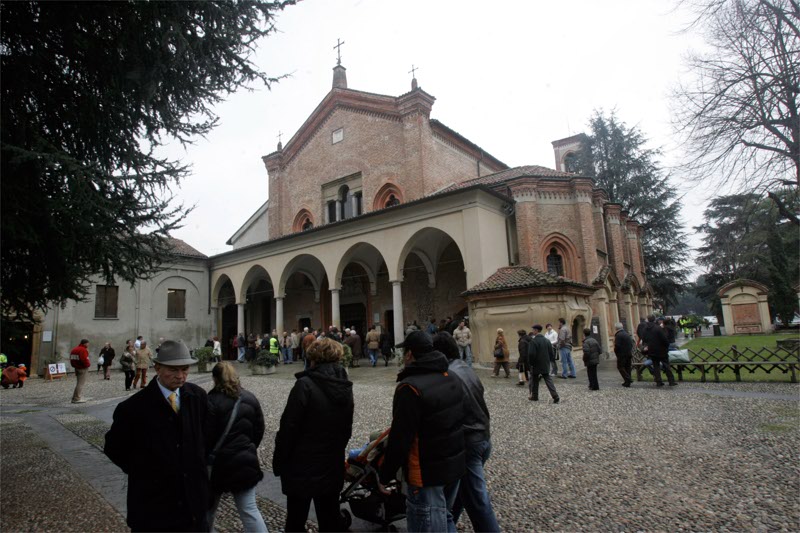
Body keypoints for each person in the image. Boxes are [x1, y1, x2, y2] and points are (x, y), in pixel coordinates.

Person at [104, 340, 209, 532]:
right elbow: (114, 448)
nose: (180, 376)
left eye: (185, 369)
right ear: (157, 368)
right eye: (173, 370)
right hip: (153, 506)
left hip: (193, 504)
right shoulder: (133, 408)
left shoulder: (197, 397)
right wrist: (144, 470)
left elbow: (207, 436)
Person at [379, 330, 465, 533]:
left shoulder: (410, 388)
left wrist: (385, 475)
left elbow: (400, 438)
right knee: (444, 517)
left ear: (409, 354)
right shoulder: (451, 376)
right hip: (454, 465)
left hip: (426, 473)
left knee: (426, 525)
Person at [273, 338, 354, 532]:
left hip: (301, 466)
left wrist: (280, 461)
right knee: (329, 520)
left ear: (313, 358)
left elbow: (288, 428)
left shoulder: (305, 385)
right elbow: (346, 428)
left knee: (295, 521)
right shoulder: (344, 385)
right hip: (331, 465)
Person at [433, 332, 500, 533]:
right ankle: (449, 521)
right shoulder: (465, 368)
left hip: (468, 443)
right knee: (464, 493)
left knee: (477, 501)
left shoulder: (449, 375)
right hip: (483, 436)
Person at [206, 362, 268, 532]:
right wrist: (247, 447)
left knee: (208, 509)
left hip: (218, 464)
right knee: (249, 510)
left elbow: (206, 436)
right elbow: (259, 429)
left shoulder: (210, 401)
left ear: (214, 378)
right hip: (245, 460)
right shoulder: (250, 398)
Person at [526, 325, 560, 403]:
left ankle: (535, 396)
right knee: (548, 379)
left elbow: (531, 354)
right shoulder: (547, 341)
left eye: (533, 330)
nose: (533, 331)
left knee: (534, 380)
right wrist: (549, 360)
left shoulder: (533, 341)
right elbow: (551, 353)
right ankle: (555, 395)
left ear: (536, 330)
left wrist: (531, 363)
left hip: (536, 364)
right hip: (545, 363)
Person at [643, 315, 677, 387]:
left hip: (652, 350)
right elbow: (664, 339)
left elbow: (644, 338)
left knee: (656, 366)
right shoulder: (658, 328)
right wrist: (666, 345)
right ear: (654, 320)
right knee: (666, 365)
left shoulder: (645, 329)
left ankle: (658, 381)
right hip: (661, 349)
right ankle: (671, 381)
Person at [69, 338, 91, 403]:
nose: (88, 344)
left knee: (78, 383)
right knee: (80, 384)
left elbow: (71, 359)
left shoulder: (74, 349)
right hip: (82, 368)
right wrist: (88, 365)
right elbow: (84, 359)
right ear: (85, 343)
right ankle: (77, 398)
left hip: (76, 367)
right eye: (88, 343)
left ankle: (75, 397)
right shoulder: (83, 350)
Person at [614, 323, 633, 387]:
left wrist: (616, 352)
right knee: (628, 367)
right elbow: (631, 343)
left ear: (616, 328)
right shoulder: (626, 334)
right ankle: (627, 382)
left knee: (620, 367)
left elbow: (617, 345)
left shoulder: (618, 335)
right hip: (628, 353)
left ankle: (628, 379)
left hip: (622, 354)